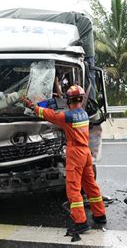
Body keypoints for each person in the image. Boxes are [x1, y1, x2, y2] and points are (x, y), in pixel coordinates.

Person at [21, 85, 106, 235]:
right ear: (81, 99)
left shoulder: (67, 117)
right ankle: (100, 215)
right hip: (86, 152)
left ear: (68, 100)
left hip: (75, 153)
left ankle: (80, 222)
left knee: (73, 188)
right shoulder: (84, 114)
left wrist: (31, 105)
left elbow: (49, 114)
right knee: (90, 185)